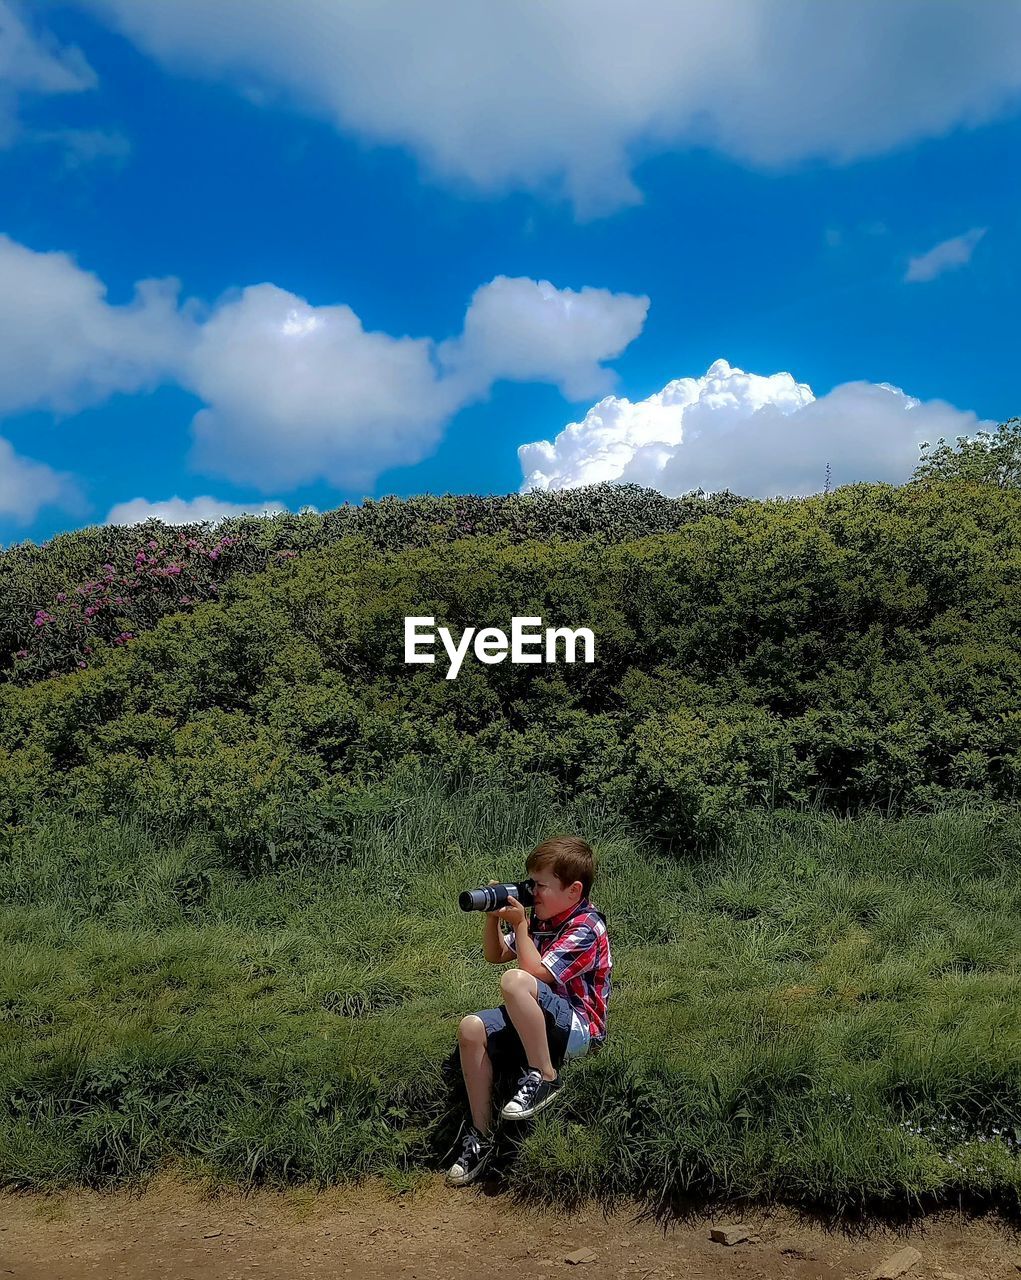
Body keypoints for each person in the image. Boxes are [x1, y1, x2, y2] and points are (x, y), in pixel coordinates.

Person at [447, 834, 613, 1187]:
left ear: (573, 891)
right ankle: (481, 1135)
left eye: (540, 885)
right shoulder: (543, 918)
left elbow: (534, 973)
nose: (531, 892)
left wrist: (520, 924)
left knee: (514, 982)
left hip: (579, 1031)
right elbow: (495, 955)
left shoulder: (587, 926)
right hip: (539, 1021)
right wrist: (494, 919)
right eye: (530, 883)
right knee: (471, 1028)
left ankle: (544, 1077)